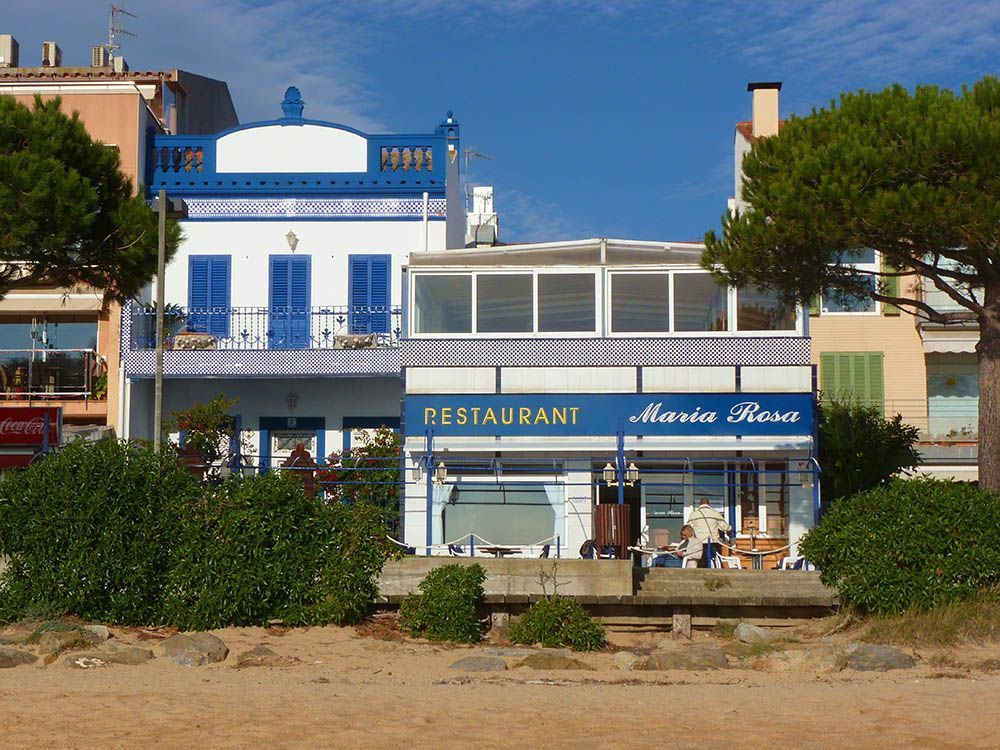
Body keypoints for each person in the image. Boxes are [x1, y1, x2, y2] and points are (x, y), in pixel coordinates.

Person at [688, 496, 732, 567]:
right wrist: (730, 529)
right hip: (712, 542)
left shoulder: (694, 514)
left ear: (700, 504)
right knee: (714, 562)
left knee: (700, 563)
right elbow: (725, 527)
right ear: (709, 504)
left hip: (698, 543)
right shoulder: (715, 513)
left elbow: (688, 529)